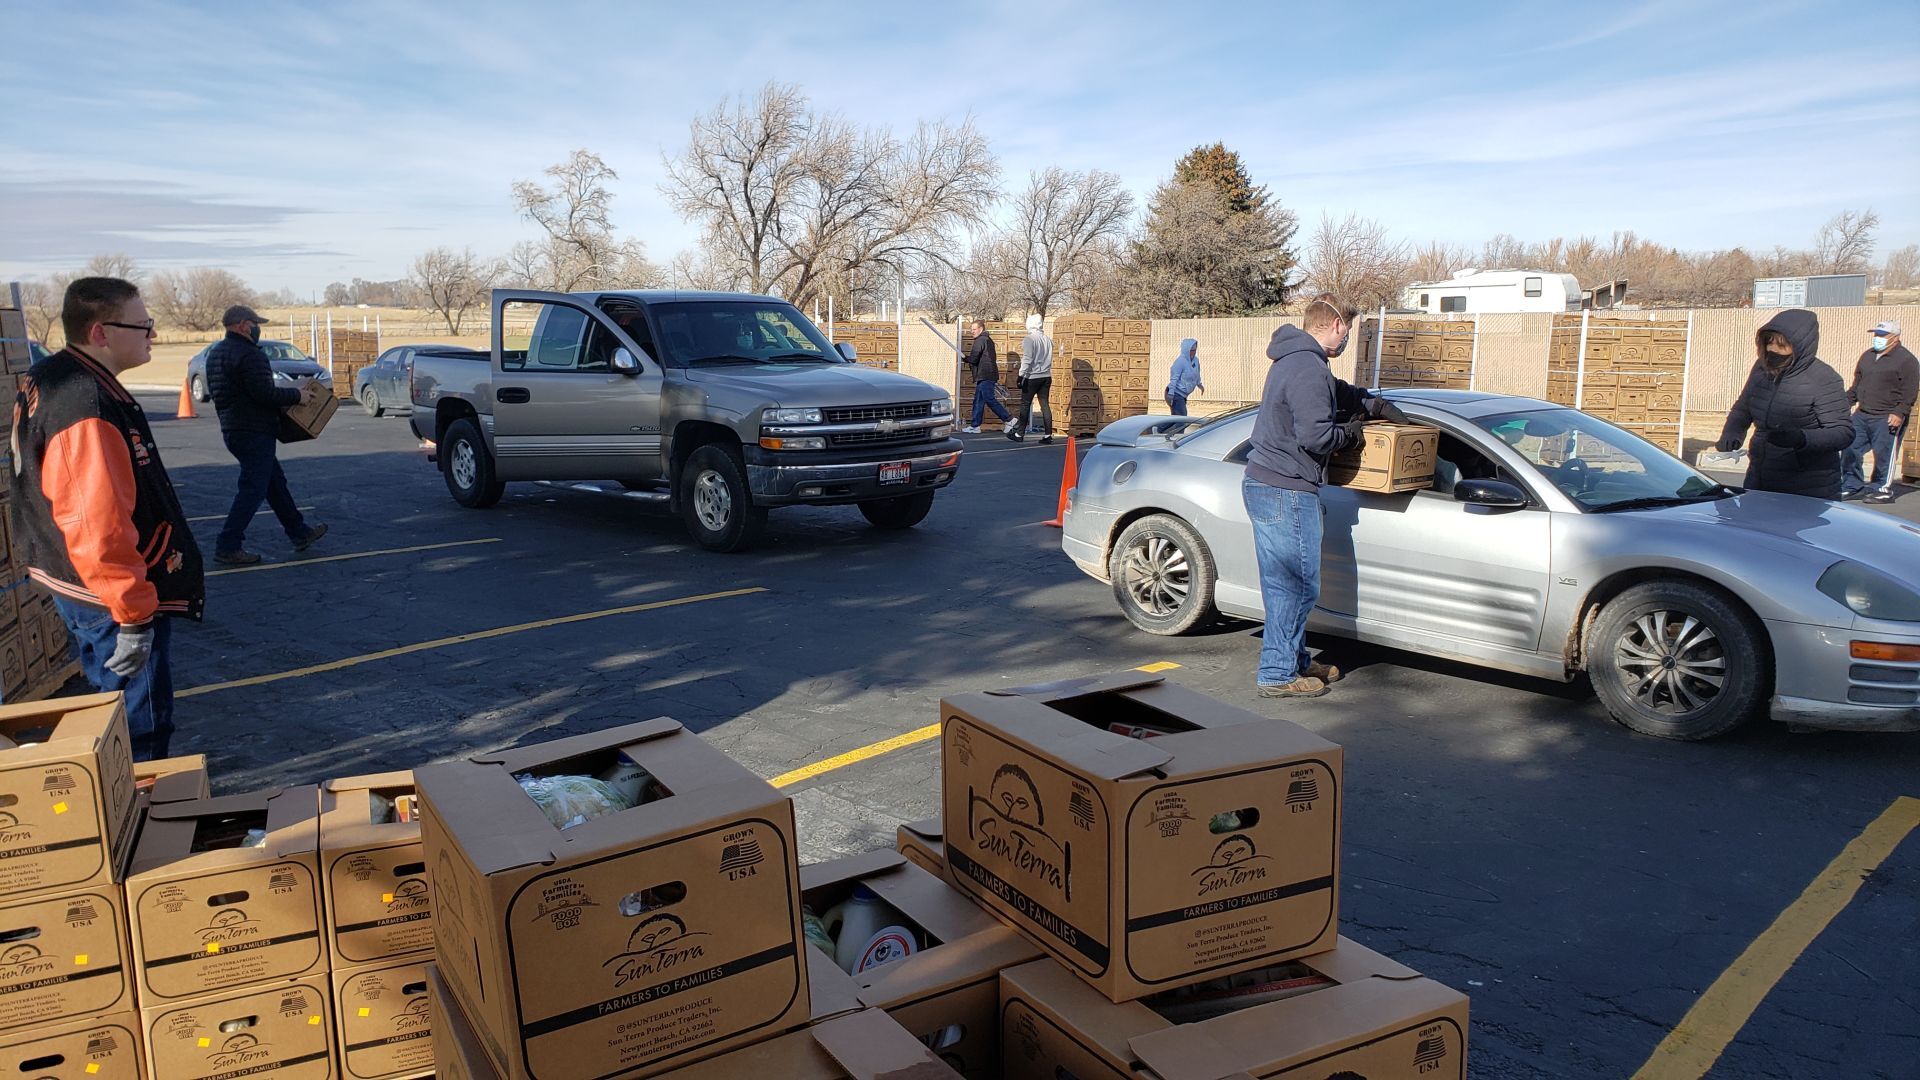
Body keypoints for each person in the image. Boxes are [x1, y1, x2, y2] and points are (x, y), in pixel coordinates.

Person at [8, 277, 203, 759]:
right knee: (140, 723)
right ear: (100, 333)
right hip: (106, 592)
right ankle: (140, 810)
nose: (152, 336)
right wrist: (134, 614)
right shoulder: (86, 405)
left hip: (77, 579)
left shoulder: (57, 375)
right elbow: (96, 525)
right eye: (143, 326)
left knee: (111, 700)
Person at [1243, 294, 1408, 699]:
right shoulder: (1307, 368)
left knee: (1285, 585)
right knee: (1297, 587)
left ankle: (1295, 660)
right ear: (1335, 326)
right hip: (1287, 489)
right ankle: (1278, 673)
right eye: (1348, 331)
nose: (1347, 339)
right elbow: (1316, 437)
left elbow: (1341, 393)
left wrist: (1376, 404)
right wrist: (1352, 433)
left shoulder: (1298, 361)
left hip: (1271, 483)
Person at [206, 304, 327, 565]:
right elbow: (264, 394)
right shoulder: (250, 355)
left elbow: (243, 390)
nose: (258, 328)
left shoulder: (217, 353)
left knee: (274, 483)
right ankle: (228, 545)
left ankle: (299, 532)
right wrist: (298, 395)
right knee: (253, 489)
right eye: (255, 323)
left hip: (233, 427)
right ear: (242, 325)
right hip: (254, 429)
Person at [1715, 309, 1851, 499]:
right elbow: (1744, 406)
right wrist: (1732, 432)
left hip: (1809, 486)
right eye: (1769, 342)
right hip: (1760, 476)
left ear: (1800, 345)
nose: (1773, 349)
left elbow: (1842, 432)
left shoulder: (1824, 378)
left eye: (1782, 345)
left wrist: (1801, 439)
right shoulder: (1761, 368)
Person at [1840, 319, 1916, 503]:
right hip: (1863, 413)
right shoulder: (1867, 356)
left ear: (1895, 337)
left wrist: (1899, 412)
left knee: (1884, 454)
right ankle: (1852, 485)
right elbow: (1857, 385)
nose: (1877, 338)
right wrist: (1844, 403)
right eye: (1876, 334)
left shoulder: (1907, 360)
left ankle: (1882, 488)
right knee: (1850, 448)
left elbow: (1910, 390)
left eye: (1882, 335)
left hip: (1887, 415)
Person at [1008, 314, 1053, 443]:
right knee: (1044, 404)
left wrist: (1021, 375)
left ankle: (1019, 433)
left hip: (1032, 376)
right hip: (1046, 376)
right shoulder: (1048, 339)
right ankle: (1048, 435)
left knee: (1025, 404)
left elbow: (1027, 359)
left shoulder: (1029, 339)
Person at [959, 320, 1011, 433]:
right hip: (985, 374)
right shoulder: (988, 340)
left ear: (981, 329)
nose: (972, 331)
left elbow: (974, 358)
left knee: (989, 399)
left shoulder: (980, 340)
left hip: (985, 374)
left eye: (974, 329)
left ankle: (1009, 419)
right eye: (971, 329)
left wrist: (966, 359)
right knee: (978, 400)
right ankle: (975, 425)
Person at [1167, 338, 1204, 415]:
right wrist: (1171, 394)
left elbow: (1197, 373)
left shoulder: (1195, 360)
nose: (1193, 352)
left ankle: (1157, 427)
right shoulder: (1180, 362)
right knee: (1182, 419)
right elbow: (1174, 378)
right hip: (1176, 393)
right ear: (1186, 350)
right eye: (1191, 350)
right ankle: (1159, 427)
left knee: (1175, 419)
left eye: (1194, 350)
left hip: (1183, 394)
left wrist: (1199, 384)